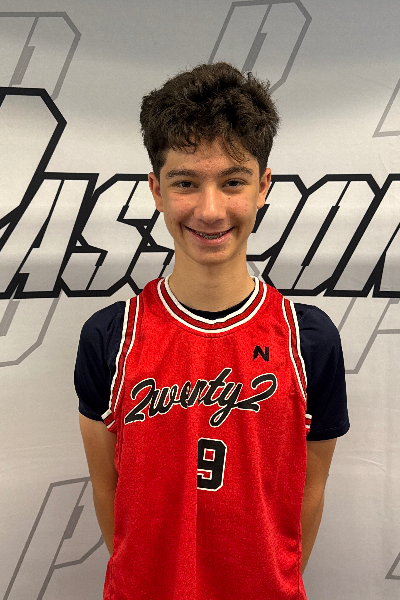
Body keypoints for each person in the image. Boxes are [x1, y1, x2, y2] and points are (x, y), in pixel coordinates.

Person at [75, 62, 349, 600]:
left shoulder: (309, 339)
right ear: (156, 190)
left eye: (232, 182)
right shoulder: (110, 336)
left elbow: (307, 496)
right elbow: (110, 495)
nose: (210, 209)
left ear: (263, 186)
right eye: (185, 183)